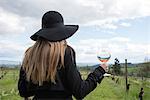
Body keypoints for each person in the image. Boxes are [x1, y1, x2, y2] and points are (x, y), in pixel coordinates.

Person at [18, 11, 106, 100]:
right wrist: (99, 71)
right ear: (62, 33)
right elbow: (80, 91)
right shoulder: (66, 52)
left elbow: (23, 91)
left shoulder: (30, 54)